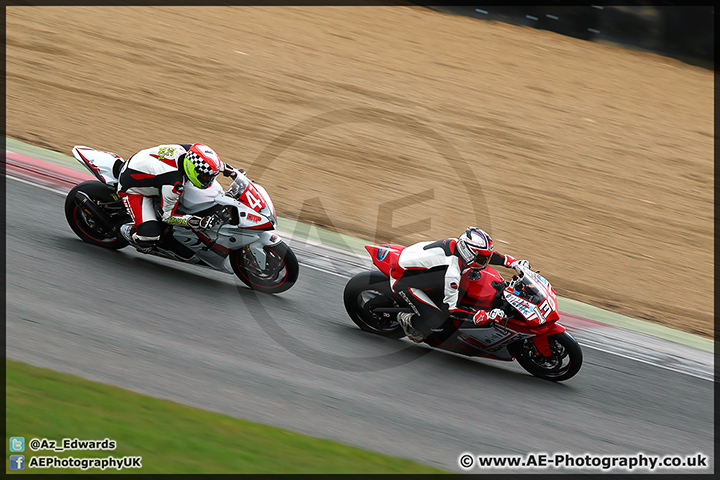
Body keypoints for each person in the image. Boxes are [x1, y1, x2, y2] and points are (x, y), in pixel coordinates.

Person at [390, 227, 530, 342]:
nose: (486, 261)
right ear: (468, 253)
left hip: (419, 266)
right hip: (403, 281)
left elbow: (486, 254)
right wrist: (478, 316)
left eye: (486, 257)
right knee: (439, 324)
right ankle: (407, 320)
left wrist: (511, 262)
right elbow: (450, 310)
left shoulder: (458, 245)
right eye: (482, 258)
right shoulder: (452, 272)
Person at [116, 143, 241, 253]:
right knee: (148, 238)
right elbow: (168, 216)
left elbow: (214, 164)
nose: (208, 181)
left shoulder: (192, 152)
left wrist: (235, 173)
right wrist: (198, 222)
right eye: (205, 178)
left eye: (210, 177)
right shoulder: (173, 184)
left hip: (145, 164)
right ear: (192, 170)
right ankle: (125, 228)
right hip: (132, 189)